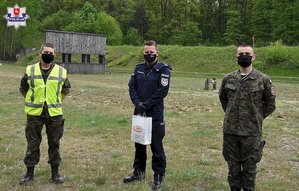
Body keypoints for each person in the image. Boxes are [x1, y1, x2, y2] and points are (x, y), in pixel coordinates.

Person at [219, 44, 276, 191]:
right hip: (231, 131)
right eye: (241, 54)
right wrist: (233, 115)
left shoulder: (263, 80)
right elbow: (223, 99)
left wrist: (256, 116)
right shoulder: (228, 79)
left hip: (252, 133)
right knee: (233, 169)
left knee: (250, 169)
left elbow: (270, 104)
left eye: (247, 53)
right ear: (236, 57)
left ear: (254, 57)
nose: (244, 56)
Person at [19, 42, 71, 185]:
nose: (48, 55)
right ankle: (29, 173)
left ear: (55, 55)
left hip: (54, 114)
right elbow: (23, 88)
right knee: (32, 143)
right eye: (46, 52)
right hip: (34, 114)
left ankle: (55, 173)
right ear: (40, 53)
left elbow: (65, 90)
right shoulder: (30, 70)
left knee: (54, 143)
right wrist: (36, 101)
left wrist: (54, 101)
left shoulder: (61, 71)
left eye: (51, 53)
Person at [125, 40, 171, 190]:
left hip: (155, 114)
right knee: (139, 144)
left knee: (156, 146)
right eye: (146, 52)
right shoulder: (138, 68)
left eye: (152, 52)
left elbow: (162, 91)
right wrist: (138, 104)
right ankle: (138, 172)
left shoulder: (163, 70)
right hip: (139, 112)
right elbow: (131, 87)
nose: (149, 54)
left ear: (157, 52)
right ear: (143, 52)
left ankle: (159, 175)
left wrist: (147, 104)